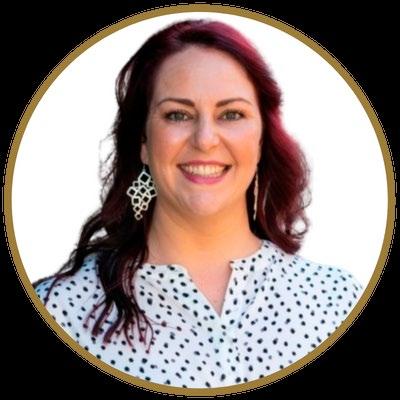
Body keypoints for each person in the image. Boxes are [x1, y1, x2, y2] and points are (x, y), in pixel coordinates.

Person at [34, 19, 363, 389]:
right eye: (178, 114)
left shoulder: (336, 301)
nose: (205, 139)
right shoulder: (61, 310)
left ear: (261, 139)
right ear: (143, 141)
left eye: (231, 114)